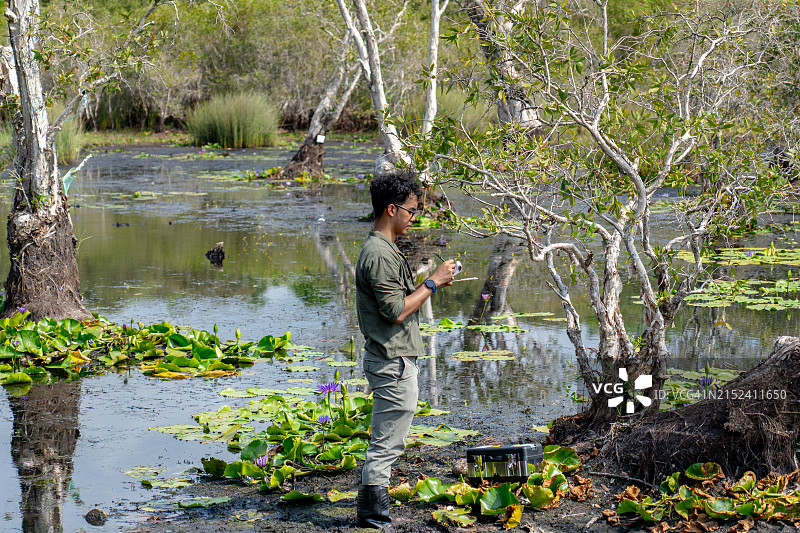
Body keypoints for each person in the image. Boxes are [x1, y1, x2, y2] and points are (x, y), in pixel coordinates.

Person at [355, 171, 456, 529]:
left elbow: (396, 302)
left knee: (386, 440)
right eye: (412, 211)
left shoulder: (383, 249)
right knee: (386, 445)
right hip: (391, 361)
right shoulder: (380, 254)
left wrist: (428, 286)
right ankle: (373, 518)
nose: (415, 218)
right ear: (391, 208)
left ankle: (371, 513)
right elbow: (396, 311)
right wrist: (433, 282)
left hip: (392, 359)